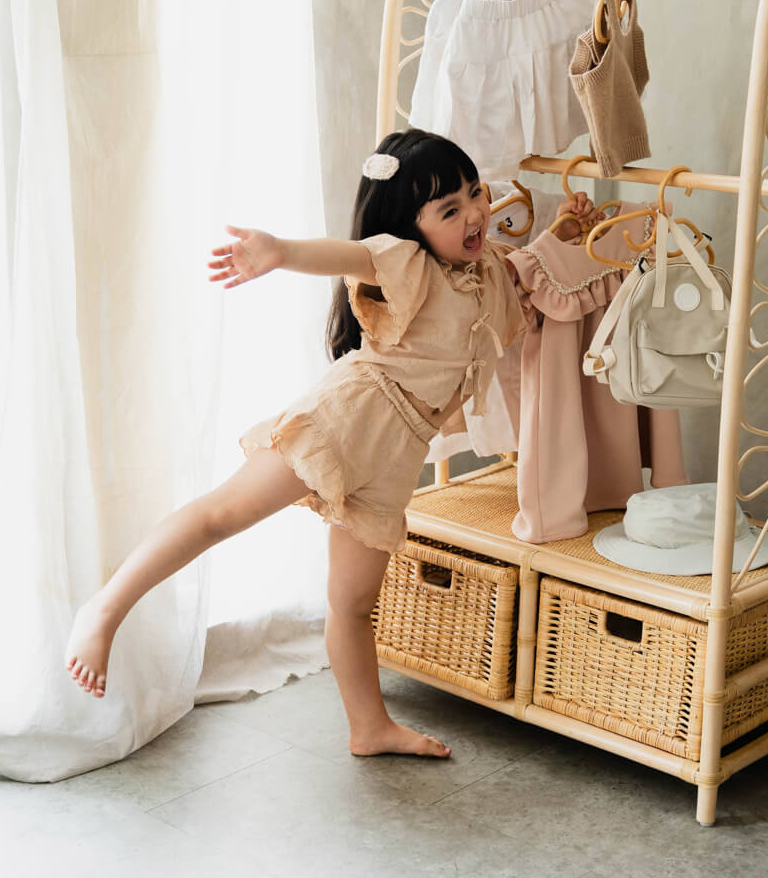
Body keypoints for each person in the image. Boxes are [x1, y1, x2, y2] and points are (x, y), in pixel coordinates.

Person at [64, 128, 599, 759]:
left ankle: (368, 727)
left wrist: (563, 231)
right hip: (350, 418)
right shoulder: (408, 264)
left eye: (474, 194)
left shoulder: (482, 273)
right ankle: (104, 611)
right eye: (449, 209)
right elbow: (353, 256)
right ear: (412, 224)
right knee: (220, 516)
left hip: (398, 454)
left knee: (352, 603)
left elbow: (517, 276)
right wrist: (280, 251)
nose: (475, 214)